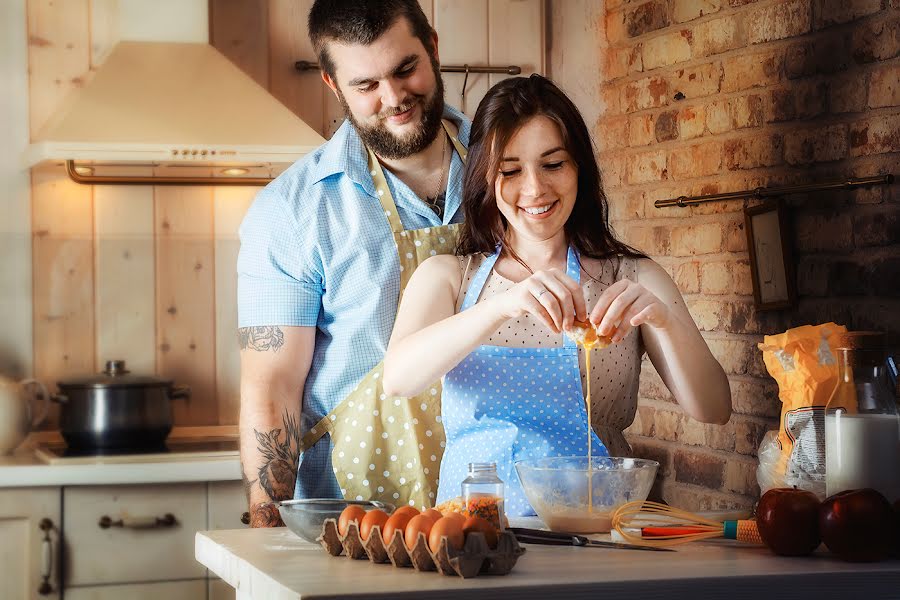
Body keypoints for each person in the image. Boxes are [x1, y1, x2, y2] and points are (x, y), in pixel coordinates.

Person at [383, 75, 732, 516]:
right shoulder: (448, 277)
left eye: (553, 164)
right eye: (510, 170)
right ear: (486, 179)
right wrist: (503, 305)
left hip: (597, 534)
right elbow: (398, 379)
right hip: (475, 538)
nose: (534, 189)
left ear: (579, 168)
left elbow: (715, 408)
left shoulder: (634, 277)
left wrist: (664, 320)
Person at [237, 0, 471, 527]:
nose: (394, 98)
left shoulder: (507, 168)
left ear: (432, 48)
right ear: (333, 84)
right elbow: (271, 384)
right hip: (352, 517)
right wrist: (266, 520)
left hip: (493, 498)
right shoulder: (290, 212)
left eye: (405, 69)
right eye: (366, 86)